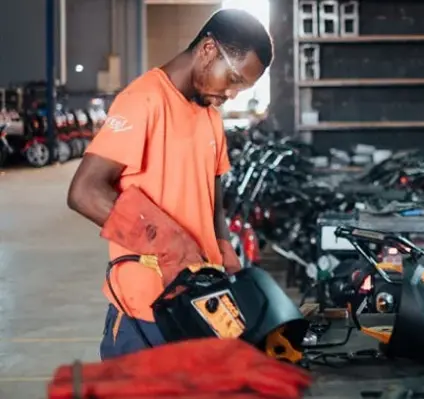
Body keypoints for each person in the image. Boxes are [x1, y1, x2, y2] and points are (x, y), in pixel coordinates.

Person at [66, 8, 273, 360]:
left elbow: (212, 192)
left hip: (201, 301)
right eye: (235, 79)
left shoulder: (210, 115)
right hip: (148, 311)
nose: (234, 94)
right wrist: (166, 244)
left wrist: (226, 255)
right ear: (208, 49)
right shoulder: (144, 101)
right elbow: (85, 192)